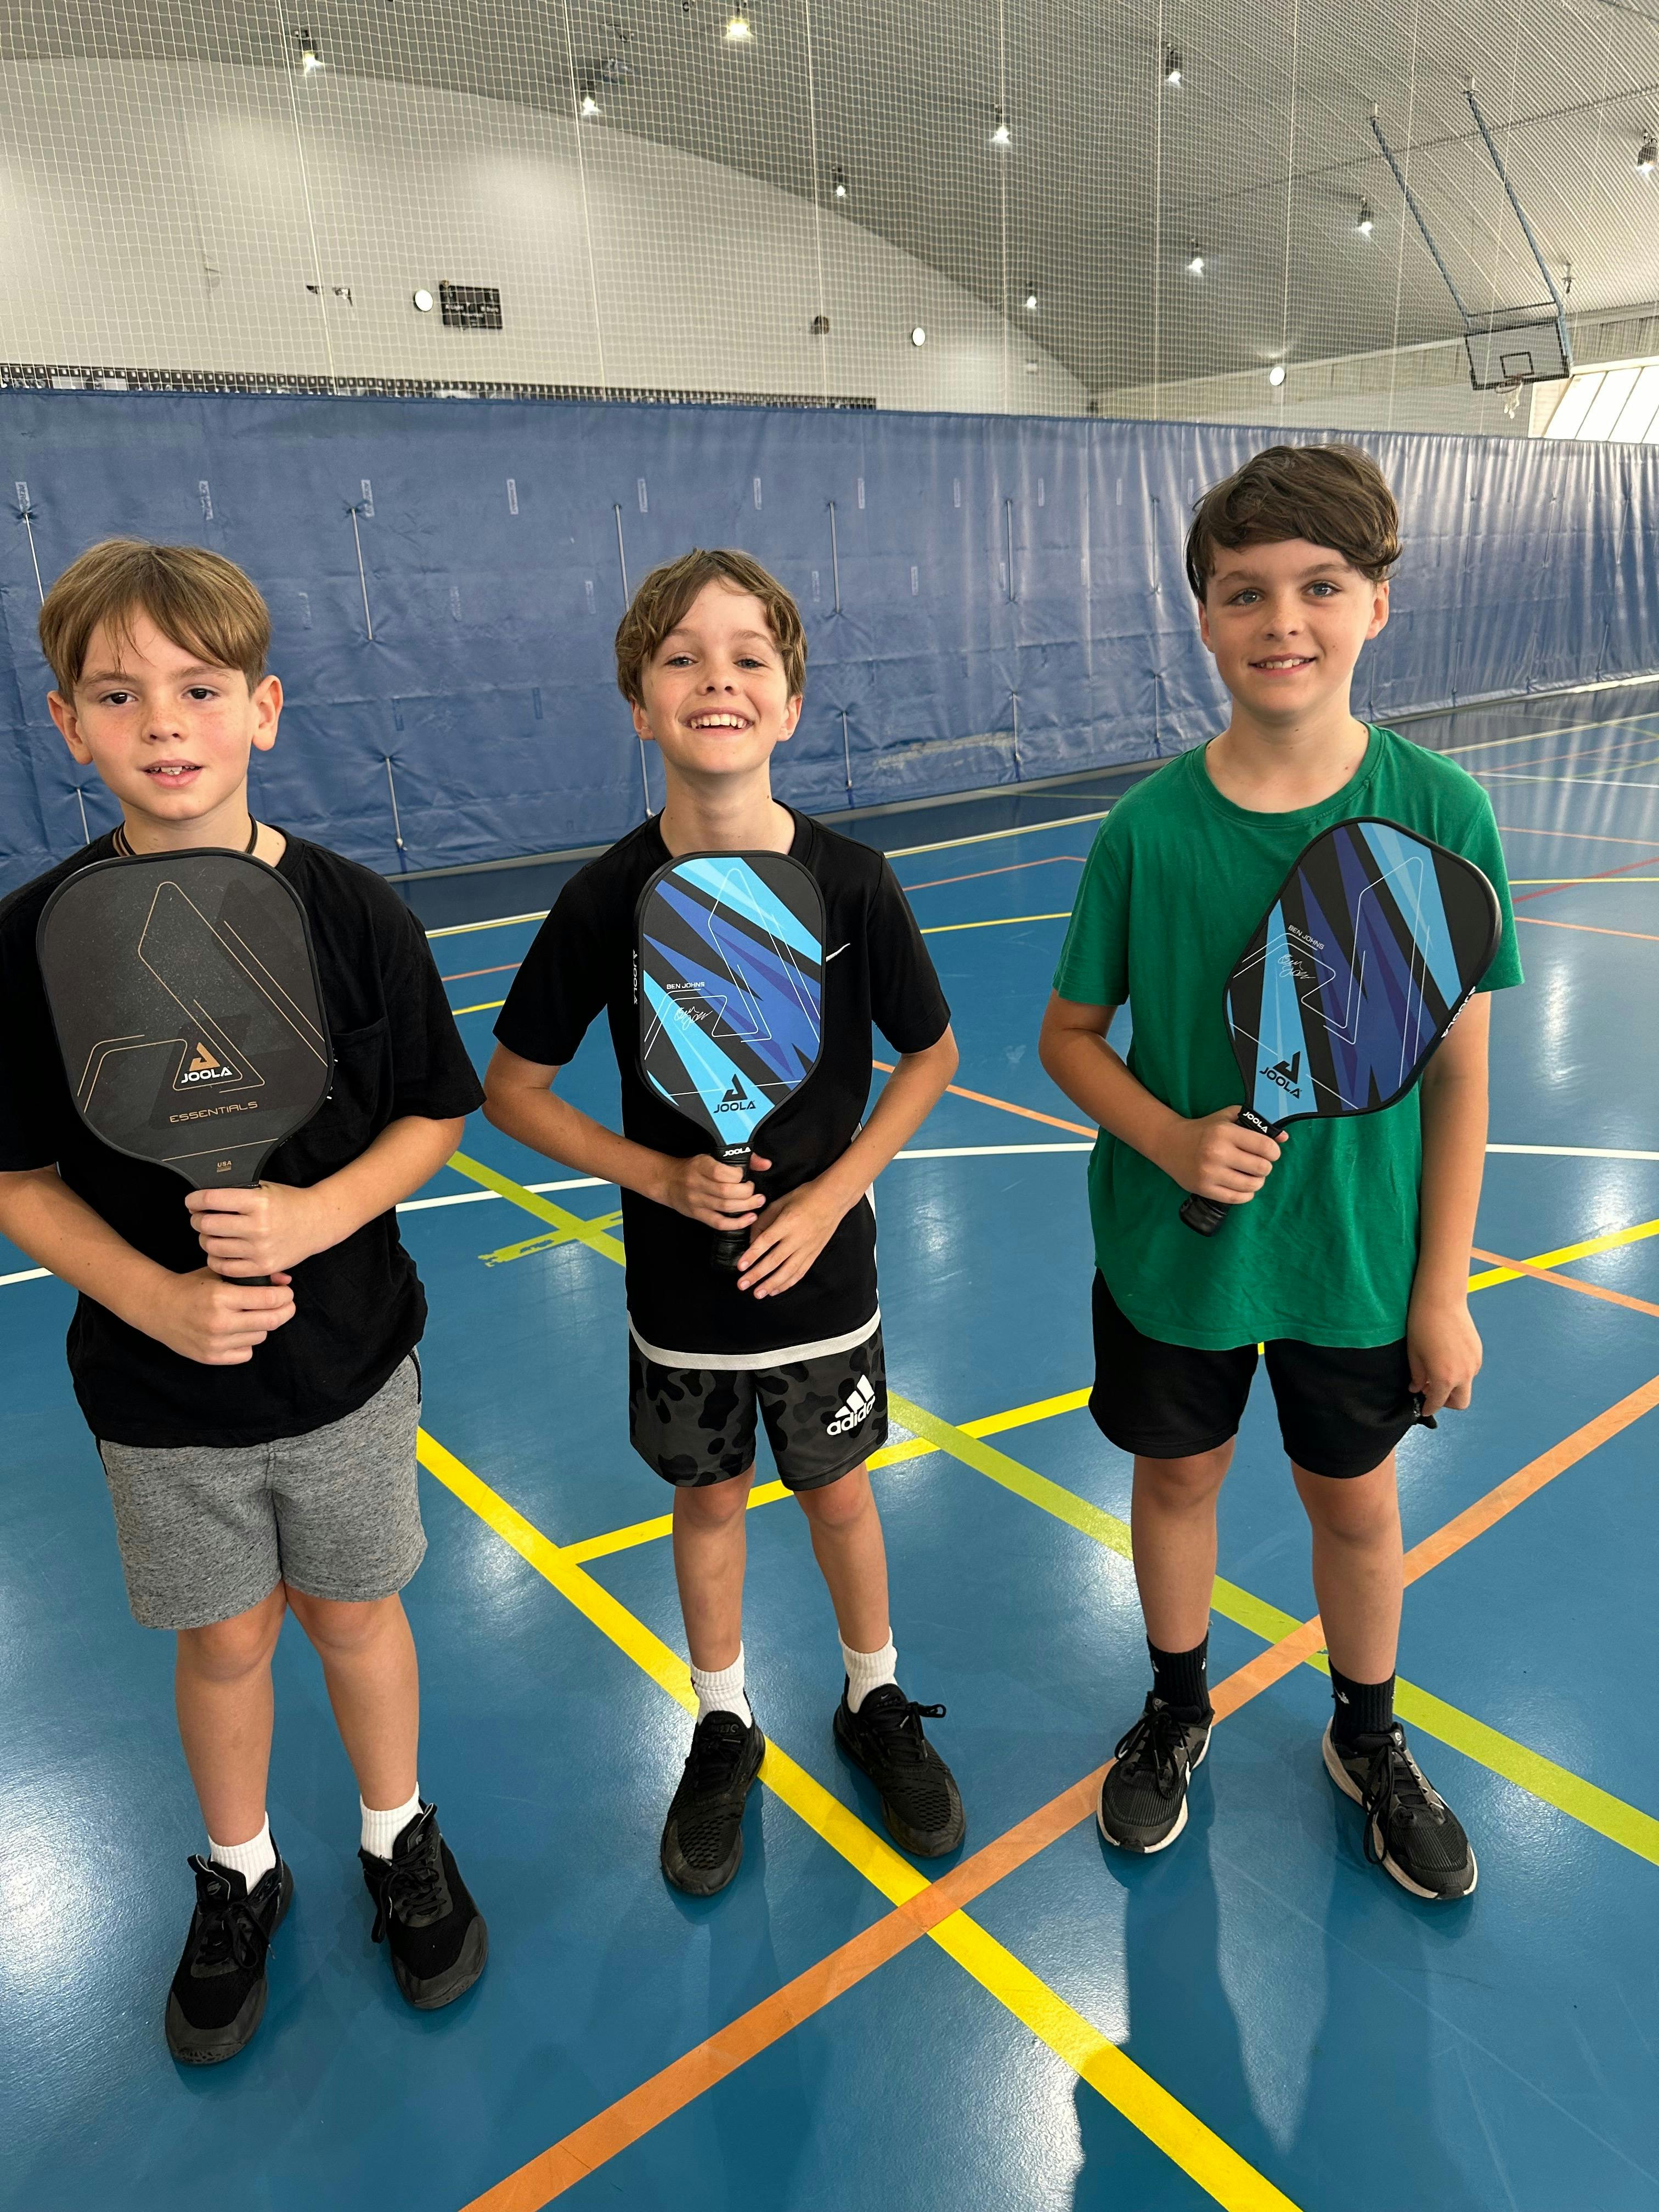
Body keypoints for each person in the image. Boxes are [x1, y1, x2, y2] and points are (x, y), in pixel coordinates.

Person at [0, 540, 488, 2063]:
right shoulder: (32, 941)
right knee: (222, 1644)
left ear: (263, 710)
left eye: (201, 688)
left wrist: (316, 1212)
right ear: (70, 725)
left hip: (347, 1370)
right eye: (117, 692)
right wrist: (156, 1294)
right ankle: (240, 1871)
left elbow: (433, 1110)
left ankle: (396, 1834)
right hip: (163, 1398)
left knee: (356, 1613)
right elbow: (17, 1179)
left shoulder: (353, 915)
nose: (164, 722)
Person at [1039, 445, 1522, 1901]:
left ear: (1378, 603)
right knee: (1177, 1477)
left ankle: (1367, 1738)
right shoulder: (1149, 831)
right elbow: (1069, 1040)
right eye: (1245, 592)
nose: (1284, 619)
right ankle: (1178, 1708)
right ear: (1202, 618)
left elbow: (1457, 1071)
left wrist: (1445, 1293)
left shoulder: (1443, 818)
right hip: (1173, 1253)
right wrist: (1171, 1137)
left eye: (1321, 586)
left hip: (1357, 1262)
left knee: (1355, 1506)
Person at [484, 546, 967, 1895]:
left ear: (792, 702)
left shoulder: (854, 884)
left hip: (828, 1284)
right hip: (680, 1299)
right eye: (683, 658)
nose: (718, 679)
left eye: (750, 656)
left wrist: (835, 1189)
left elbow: (929, 1055)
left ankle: (873, 1698)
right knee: (708, 1504)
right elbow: (513, 1090)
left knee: (840, 1496)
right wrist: (657, 1179)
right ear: (641, 704)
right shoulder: (602, 901)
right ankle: (720, 1721)